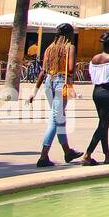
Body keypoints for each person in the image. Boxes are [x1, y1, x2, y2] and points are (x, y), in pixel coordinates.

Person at [30, 23, 82, 167]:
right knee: (55, 119)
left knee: (59, 118)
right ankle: (43, 156)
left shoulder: (49, 49)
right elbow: (70, 69)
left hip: (48, 82)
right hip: (61, 83)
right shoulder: (69, 47)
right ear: (69, 34)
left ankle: (67, 151)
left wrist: (34, 91)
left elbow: (43, 71)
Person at [82, 33, 109, 166]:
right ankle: (87, 154)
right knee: (103, 124)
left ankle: (107, 155)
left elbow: (91, 76)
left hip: (96, 91)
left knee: (103, 123)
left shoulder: (94, 59)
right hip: (108, 91)